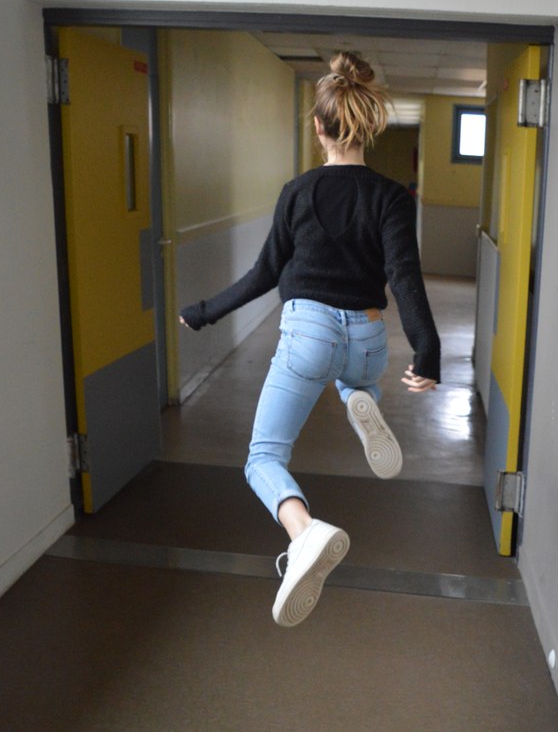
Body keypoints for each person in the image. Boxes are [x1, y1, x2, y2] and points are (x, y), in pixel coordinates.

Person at [180, 51, 440, 628]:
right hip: (368, 337)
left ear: (319, 127)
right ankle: (360, 401)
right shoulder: (392, 196)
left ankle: (304, 532)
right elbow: (404, 276)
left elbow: (263, 274)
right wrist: (427, 351)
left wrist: (203, 312)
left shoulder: (297, 191)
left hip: (308, 332)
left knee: (263, 457)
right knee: (355, 375)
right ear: (367, 126)